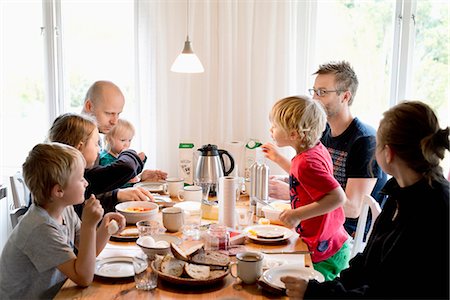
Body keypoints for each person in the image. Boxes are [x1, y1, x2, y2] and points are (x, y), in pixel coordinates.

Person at [281, 100, 449, 299]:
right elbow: (367, 263)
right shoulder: (402, 192)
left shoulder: (433, 209)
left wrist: (316, 294)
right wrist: (326, 286)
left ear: (388, 153)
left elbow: (385, 292)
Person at [266, 61, 386, 237]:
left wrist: (293, 196)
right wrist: (286, 176)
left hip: (343, 234)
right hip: (321, 222)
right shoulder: (323, 131)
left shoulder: (364, 141)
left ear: (345, 96)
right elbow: (315, 175)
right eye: (314, 91)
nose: (314, 99)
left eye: (322, 92)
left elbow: (353, 209)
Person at [0, 142, 126, 299]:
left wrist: (106, 226)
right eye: (80, 179)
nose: (86, 183)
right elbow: (83, 278)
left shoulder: (65, 208)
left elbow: (89, 252)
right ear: (59, 190)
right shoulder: (40, 228)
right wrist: (88, 225)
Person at [265, 96, 350, 281]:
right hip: (330, 239)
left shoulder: (307, 162)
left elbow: (337, 197)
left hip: (326, 249)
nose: (271, 129)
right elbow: (304, 177)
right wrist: (278, 158)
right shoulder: (314, 150)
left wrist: (297, 214)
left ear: (294, 134)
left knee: (312, 291)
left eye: (275, 126)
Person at [48, 113, 154, 215]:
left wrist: (117, 194)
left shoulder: (69, 175)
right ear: (79, 147)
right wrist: (129, 152)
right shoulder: (80, 176)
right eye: (96, 144)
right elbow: (126, 167)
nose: (99, 150)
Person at [82, 80, 166, 182]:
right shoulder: (75, 134)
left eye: (118, 114)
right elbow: (87, 187)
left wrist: (139, 178)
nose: (115, 121)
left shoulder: (95, 136)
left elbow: (98, 183)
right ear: (89, 106)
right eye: (109, 113)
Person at [99, 118, 140, 188]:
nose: (127, 144)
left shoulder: (121, 157)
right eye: (123, 140)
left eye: (129, 140)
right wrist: (128, 181)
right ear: (109, 139)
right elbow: (111, 183)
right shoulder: (105, 159)